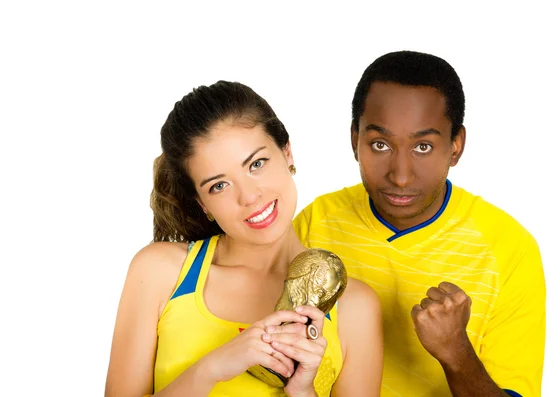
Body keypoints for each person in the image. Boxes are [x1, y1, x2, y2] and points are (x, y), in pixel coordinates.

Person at [104, 81, 383, 397]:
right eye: (219, 186)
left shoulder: (354, 307)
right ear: (202, 204)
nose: (250, 196)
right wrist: (213, 368)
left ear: (287, 152)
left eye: (256, 164)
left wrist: (303, 390)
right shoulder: (160, 272)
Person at [293, 51, 546, 397]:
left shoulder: (510, 250)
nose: (400, 176)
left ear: (455, 146)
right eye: (380, 144)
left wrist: (457, 354)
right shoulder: (315, 222)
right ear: (355, 140)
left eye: (423, 146)